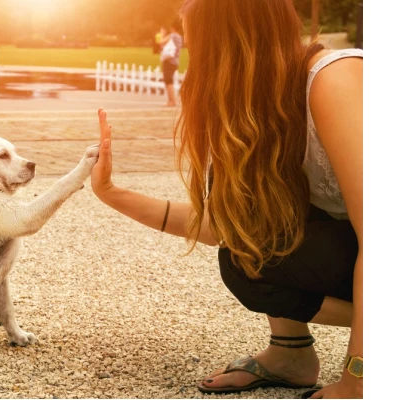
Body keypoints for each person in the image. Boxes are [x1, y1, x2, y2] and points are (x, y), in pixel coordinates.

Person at [89, 0, 362, 398]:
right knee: (245, 257)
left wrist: (357, 380)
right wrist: (111, 193)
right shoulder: (265, 112)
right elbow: (226, 229)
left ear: (231, 47)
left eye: (198, 49)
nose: (191, 65)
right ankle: (291, 356)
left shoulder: (334, 80)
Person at [158, 22, 183, 107]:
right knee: (169, 80)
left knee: (168, 81)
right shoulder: (180, 37)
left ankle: (172, 101)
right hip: (175, 61)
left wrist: (162, 33)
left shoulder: (173, 36)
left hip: (169, 61)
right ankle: (171, 101)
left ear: (173, 28)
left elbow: (161, 42)